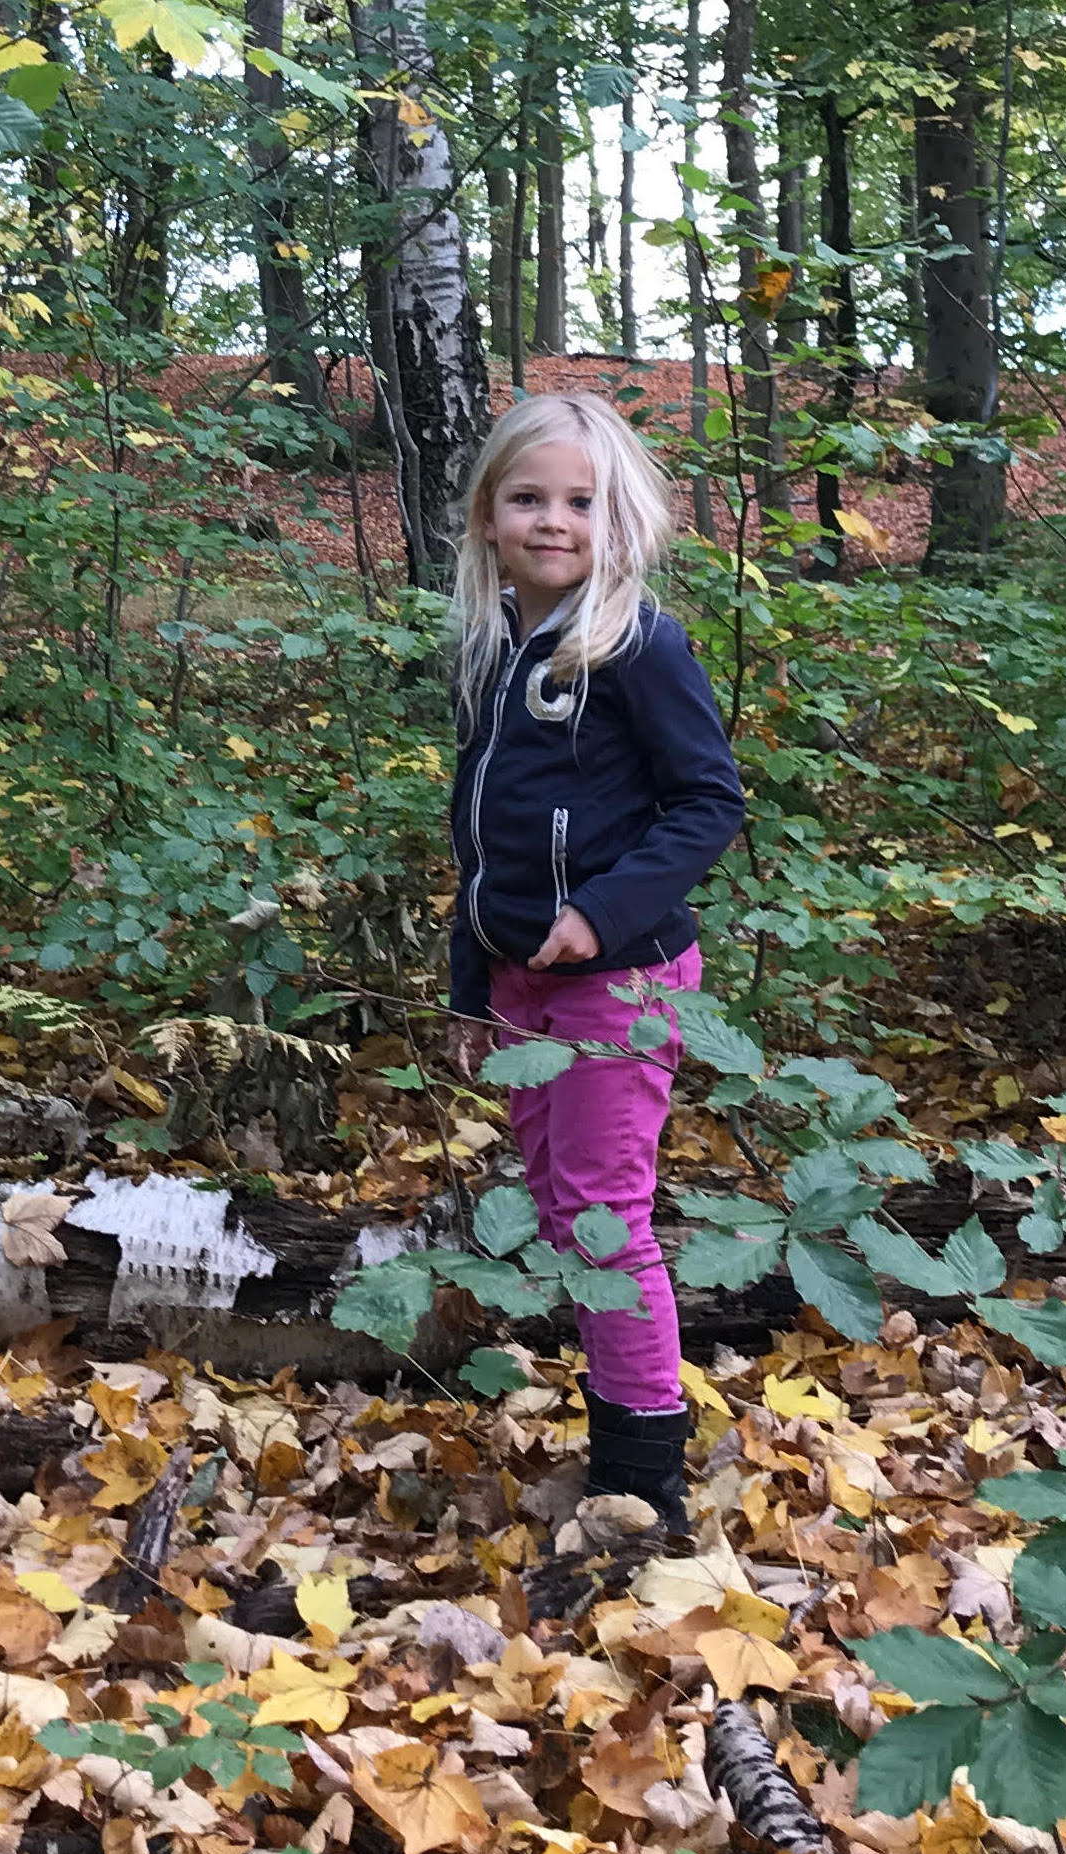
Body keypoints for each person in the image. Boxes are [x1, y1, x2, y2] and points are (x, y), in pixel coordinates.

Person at [438, 392, 746, 1534]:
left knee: (604, 1223)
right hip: (520, 981)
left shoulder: (636, 645)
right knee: (563, 1220)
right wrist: (471, 989)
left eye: (580, 502)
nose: (552, 520)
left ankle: (640, 1480)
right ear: (485, 518)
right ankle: (624, 1434)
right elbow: (477, 841)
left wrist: (604, 916)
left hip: (620, 980)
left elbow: (707, 801)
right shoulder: (488, 650)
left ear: (619, 522)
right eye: (527, 498)